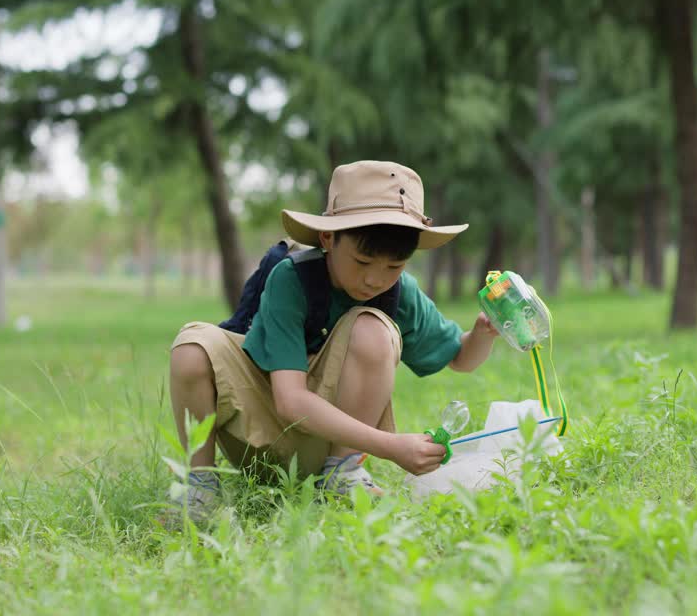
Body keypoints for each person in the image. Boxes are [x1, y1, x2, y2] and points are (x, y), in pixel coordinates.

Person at [166, 160, 499, 521]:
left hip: (334, 447)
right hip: (260, 434)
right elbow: (290, 401)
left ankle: (343, 476)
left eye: (394, 267)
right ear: (328, 238)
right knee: (191, 347)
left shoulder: (401, 294)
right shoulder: (292, 280)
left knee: (372, 328)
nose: (375, 280)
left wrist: (484, 331)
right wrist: (392, 447)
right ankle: (198, 490)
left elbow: (461, 358)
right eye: (362, 261)